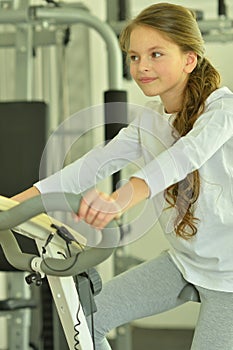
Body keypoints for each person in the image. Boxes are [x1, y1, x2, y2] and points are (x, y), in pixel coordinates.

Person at [12, 2, 233, 349]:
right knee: (89, 318)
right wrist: (13, 207)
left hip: (230, 277)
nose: (141, 66)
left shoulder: (223, 110)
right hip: (184, 261)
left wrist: (119, 200)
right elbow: (91, 165)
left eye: (156, 54)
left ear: (189, 60)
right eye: (133, 57)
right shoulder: (150, 120)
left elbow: (185, 156)